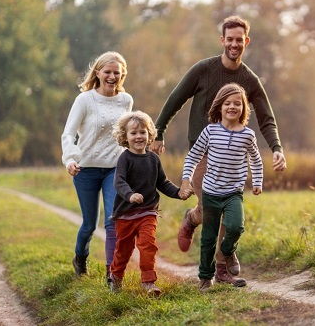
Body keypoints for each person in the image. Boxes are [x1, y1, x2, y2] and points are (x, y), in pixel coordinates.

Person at [151, 15, 286, 284]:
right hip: (203, 151)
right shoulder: (203, 70)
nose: (234, 44)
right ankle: (192, 219)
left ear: (246, 42)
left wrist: (276, 148)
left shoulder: (249, 79)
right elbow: (175, 99)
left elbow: (266, 117)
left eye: (240, 40)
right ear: (222, 40)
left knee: (229, 208)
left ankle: (222, 267)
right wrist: (159, 131)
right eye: (230, 39)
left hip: (233, 157)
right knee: (209, 207)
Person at [180, 83, 263, 292]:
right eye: (227, 103)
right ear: (219, 106)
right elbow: (193, 156)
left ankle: (227, 253)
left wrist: (258, 181)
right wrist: (186, 179)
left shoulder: (247, 135)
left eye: (237, 104)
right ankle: (205, 278)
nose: (232, 107)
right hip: (210, 193)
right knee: (208, 237)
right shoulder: (210, 131)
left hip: (233, 192)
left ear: (244, 108)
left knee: (236, 226)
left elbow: (256, 159)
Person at [61, 51, 133, 283]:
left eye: (116, 73)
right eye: (108, 72)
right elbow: (69, 133)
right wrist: (70, 159)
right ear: (98, 73)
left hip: (115, 168)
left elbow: (126, 134)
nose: (112, 76)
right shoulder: (85, 100)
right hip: (86, 169)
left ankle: (112, 273)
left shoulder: (125, 100)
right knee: (89, 225)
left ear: (122, 75)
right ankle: (80, 258)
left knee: (113, 221)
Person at [108, 111, 192, 295]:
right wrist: (130, 195)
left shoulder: (153, 159)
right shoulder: (125, 159)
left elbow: (162, 183)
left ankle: (148, 282)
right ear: (125, 136)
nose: (138, 136)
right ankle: (115, 276)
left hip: (147, 212)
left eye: (142, 132)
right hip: (126, 214)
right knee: (124, 250)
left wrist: (179, 192)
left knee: (148, 244)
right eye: (133, 133)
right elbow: (119, 182)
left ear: (149, 135)